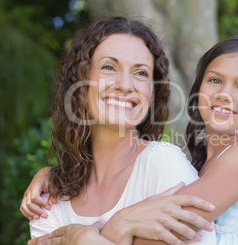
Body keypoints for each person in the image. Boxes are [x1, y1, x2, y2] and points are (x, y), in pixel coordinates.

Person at [22, 34, 238, 244]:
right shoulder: (204, 168)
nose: (225, 93)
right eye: (215, 80)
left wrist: (85, 235)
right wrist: (51, 173)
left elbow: (159, 236)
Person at [22, 16, 217, 245]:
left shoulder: (163, 164)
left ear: (152, 93)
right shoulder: (49, 197)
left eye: (141, 72)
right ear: (80, 83)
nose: (125, 85)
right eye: (108, 67)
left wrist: (86, 238)